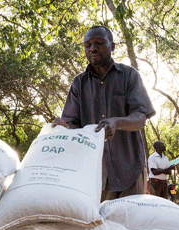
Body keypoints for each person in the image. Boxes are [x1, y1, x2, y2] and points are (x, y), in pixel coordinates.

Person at [53, 25, 156, 201]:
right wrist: (64, 127)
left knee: (129, 224)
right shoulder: (79, 84)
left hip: (129, 168)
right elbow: (72, 124)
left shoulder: (129, 75)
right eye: (88, 45)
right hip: (95, 173)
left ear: (112, 46)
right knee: (100, 225)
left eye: (99, 43)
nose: (93, 48)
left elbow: (140, 118)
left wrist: (117, 122)